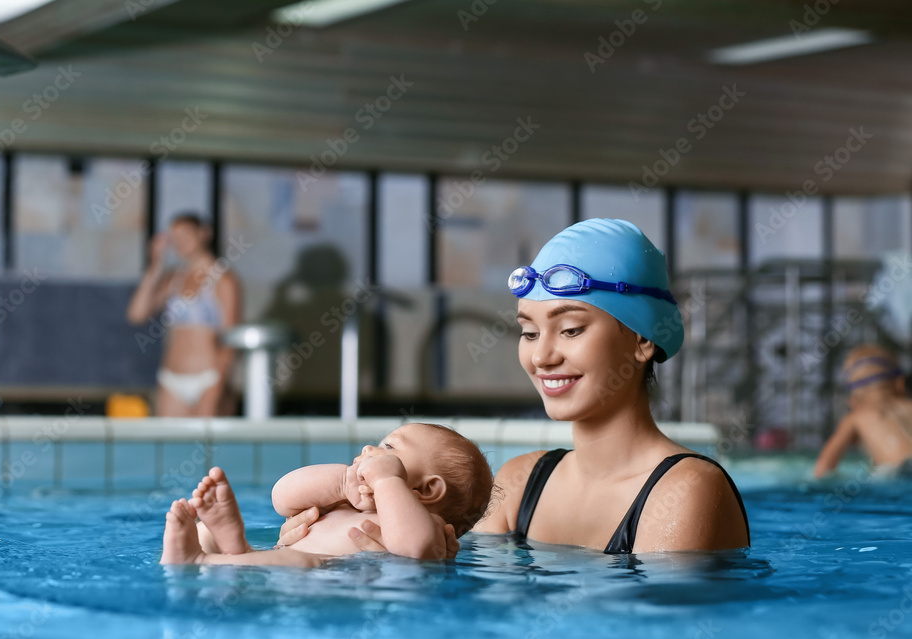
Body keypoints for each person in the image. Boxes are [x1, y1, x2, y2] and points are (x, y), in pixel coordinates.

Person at [283, 219, 750, 555]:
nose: (542, 356)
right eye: (529, 332)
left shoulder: (686, 491)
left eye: (571, 329)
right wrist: (324, 550)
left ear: (642, 339)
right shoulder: (520, 481)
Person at [160, 423, 491, 565]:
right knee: (204, 531)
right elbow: (283, 498)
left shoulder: (426, 528)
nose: (368, 447)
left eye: (389, 447)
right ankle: (234, 546)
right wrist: (343, 483)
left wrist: (389, 481)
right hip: (277, 560)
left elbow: (414, 548)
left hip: (316, 576)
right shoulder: (346, 502)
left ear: (426, 489)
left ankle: (200, 561)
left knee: (302, 562)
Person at [127, 214, 241, 417]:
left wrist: (219, 383)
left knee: (205, 445)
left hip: (207, 378)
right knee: (170, 447)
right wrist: (155, 267)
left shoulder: (224, 280)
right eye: (175, 237)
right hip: (172, 377)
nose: (181, 242)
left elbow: (230, 339)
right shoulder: (173, 279)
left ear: (204, 233)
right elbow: (136, 314)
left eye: (186, 234)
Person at [813, 344, 912, 478]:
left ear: (852, 400)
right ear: (900, 383)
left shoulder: (855, 418)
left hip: (898, 474)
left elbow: (823, 467)